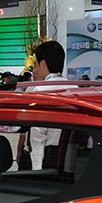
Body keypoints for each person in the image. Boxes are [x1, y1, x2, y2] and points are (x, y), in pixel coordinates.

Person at [27, 40, 74, 169]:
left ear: (43, 64)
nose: (35, 70)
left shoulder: (40, 91)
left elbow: (37, 135)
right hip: (73, 160)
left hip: (49, 159)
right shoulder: (74, 88)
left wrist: (37, 170)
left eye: (36, 65)